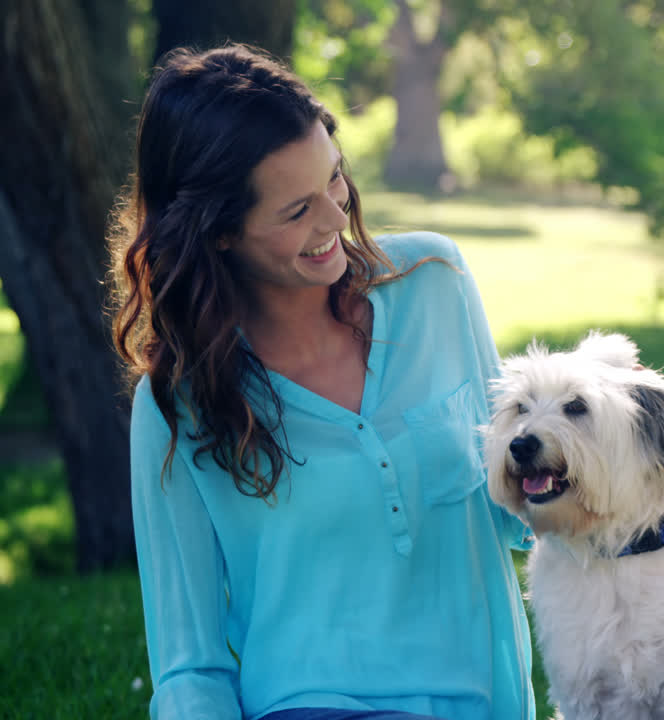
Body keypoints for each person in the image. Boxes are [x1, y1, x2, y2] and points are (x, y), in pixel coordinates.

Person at [109, 44, 534, 720]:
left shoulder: (436, 283)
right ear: (218, 233)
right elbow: (190, 664)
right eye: (295, 210)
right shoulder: (178, 404)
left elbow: (531, 511)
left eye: (333, 179)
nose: (336, 218)